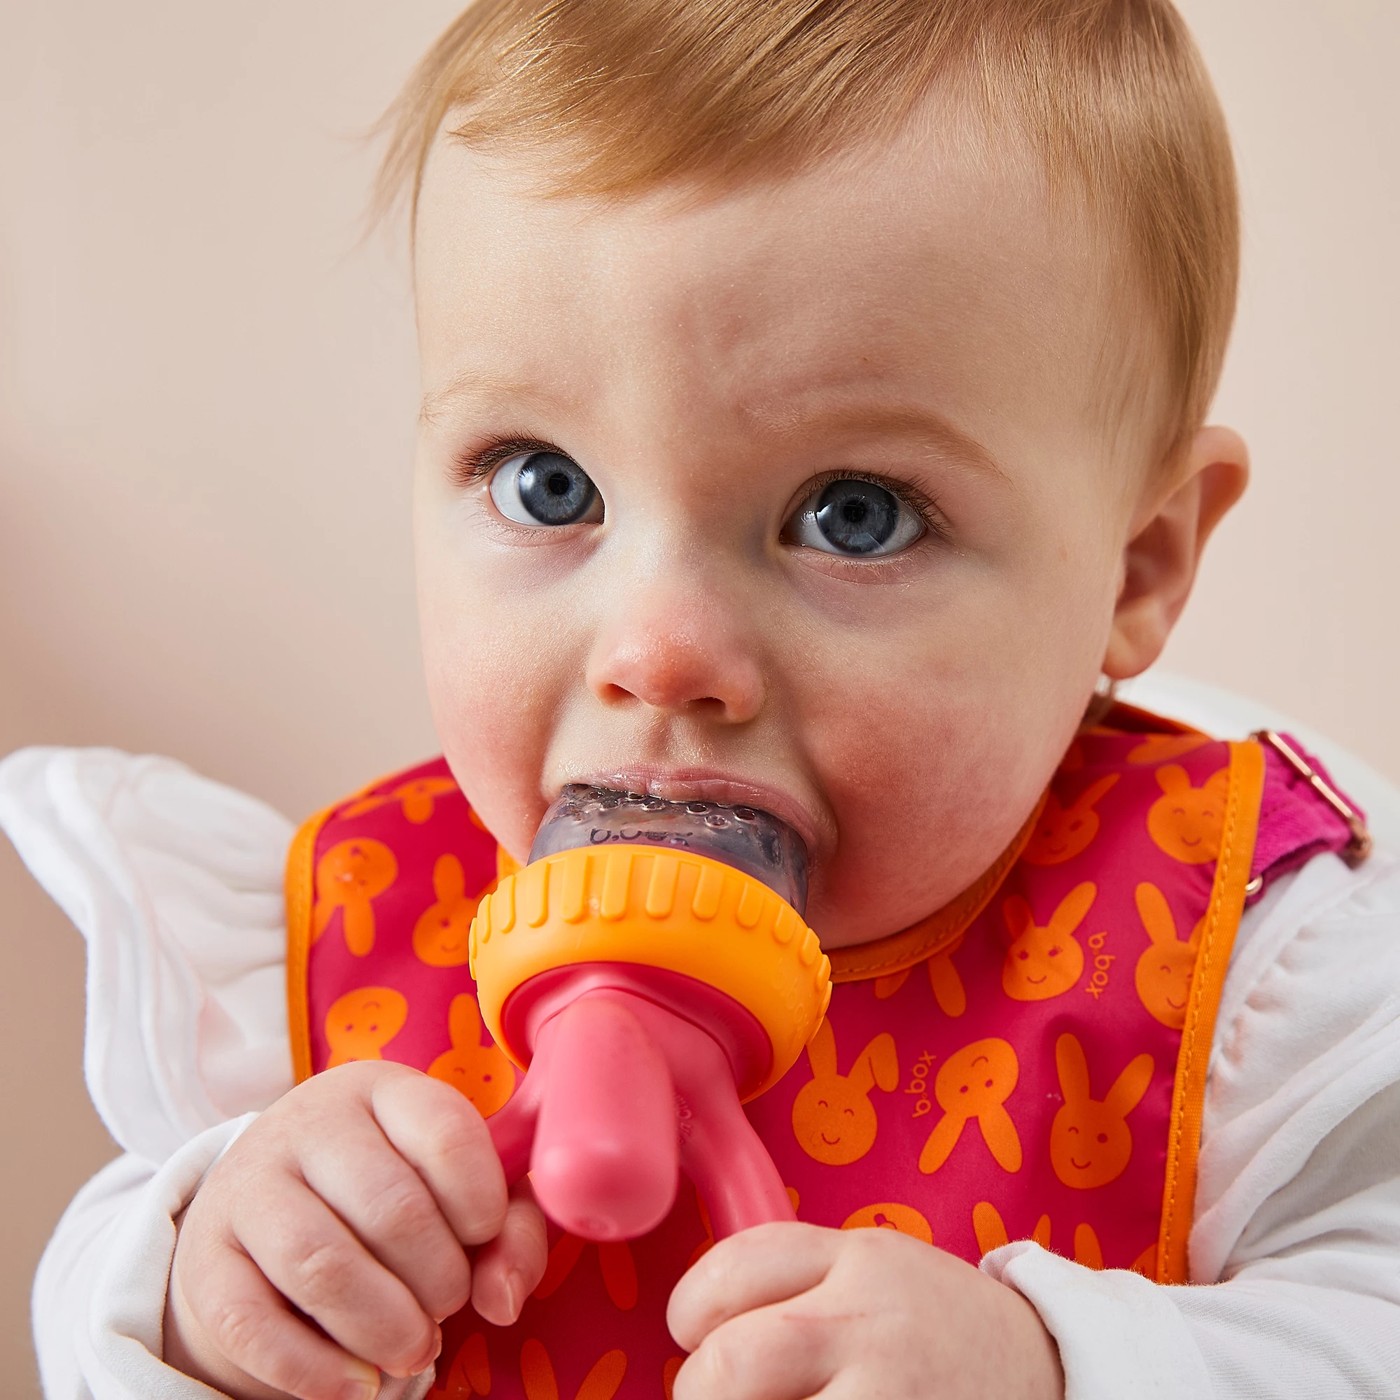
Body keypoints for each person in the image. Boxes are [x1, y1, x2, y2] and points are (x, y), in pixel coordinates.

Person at [3, 1, 1399, 1397]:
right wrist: (207, 1294)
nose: (660, 652)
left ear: (1135, 567)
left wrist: (1058, 1367)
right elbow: (89, 1332)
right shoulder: (341, 951)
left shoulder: (1240, 961)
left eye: (854, 516)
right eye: (548, 483)